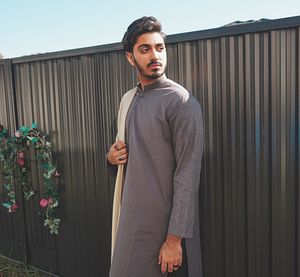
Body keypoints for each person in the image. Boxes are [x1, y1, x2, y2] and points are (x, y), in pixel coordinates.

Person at [107, 16, 203, 277]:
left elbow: (188, 174)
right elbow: (124, 150)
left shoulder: (181, 102)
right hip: (129, 220)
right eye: (145, 49)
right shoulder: (128, 99)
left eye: (159, 48)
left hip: (163, 227)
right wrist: (112, 157)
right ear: (130, 57)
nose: (155, 55)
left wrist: (174, 240)